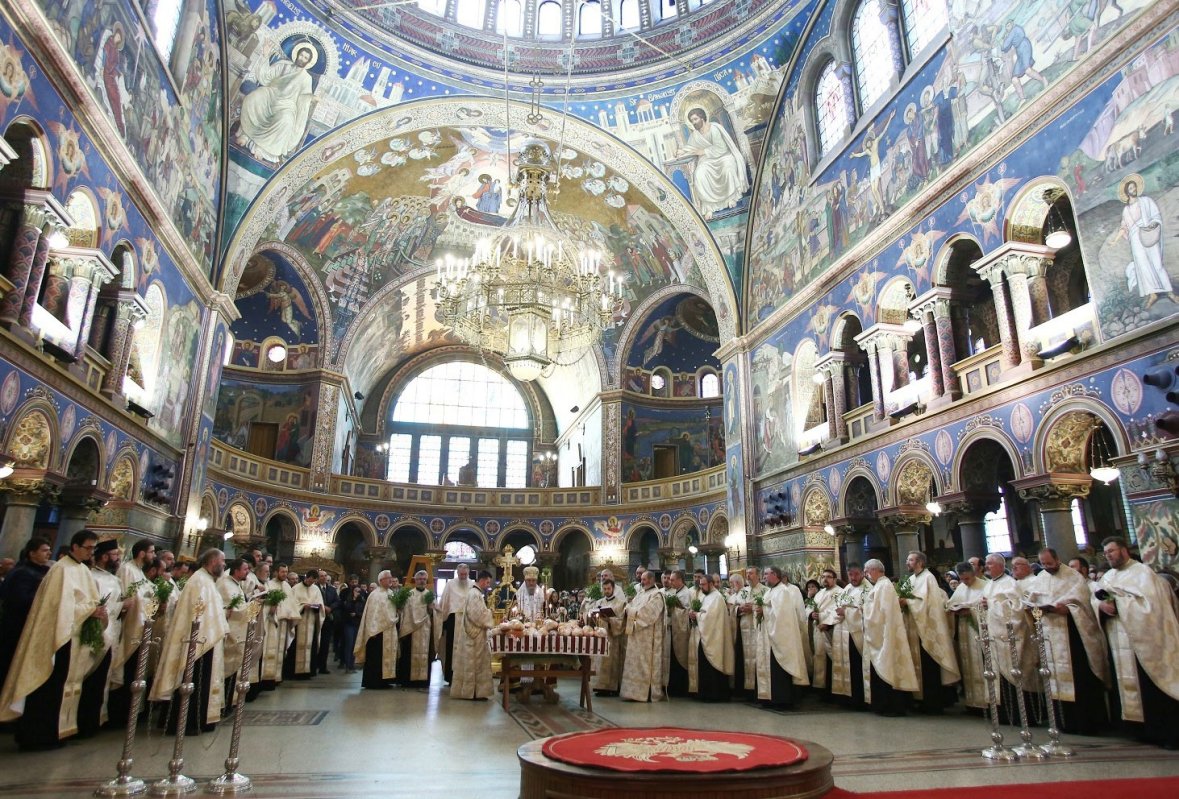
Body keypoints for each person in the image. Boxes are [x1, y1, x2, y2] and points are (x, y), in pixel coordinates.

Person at [0, 530, 107, 750]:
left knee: (63, 685)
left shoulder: (81, 570)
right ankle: (38, 735)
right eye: (87, 547)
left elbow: (88, 600)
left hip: (73, 635)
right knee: (49, 685)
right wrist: (90, 609)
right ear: (74, 546)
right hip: (57, 635)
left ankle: (59, 730)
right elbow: (60, 607)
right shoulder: (61, 570)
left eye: (93, 548)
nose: (90, 552)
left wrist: (97, 611)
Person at [1097, 537, 1179, 749]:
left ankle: (1157, 729)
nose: (1109, 555)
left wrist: (1119, 603)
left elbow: (1152, 606)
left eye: (1112, 551)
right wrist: (1102, 606)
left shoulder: (1143, 573)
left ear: (1124, 550)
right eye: (1106, 553)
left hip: (1142, 640)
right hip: (1118, 639)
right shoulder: (1108, 576)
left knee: (1146, 682)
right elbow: (1098, 597)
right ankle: (1134, 728)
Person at [1027, 547, 1109, 734]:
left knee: (1079, 677)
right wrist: (1034, 608)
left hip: (1072, 635)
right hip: (1050, 635)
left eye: (1049, 563)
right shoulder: (1041, 578)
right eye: (1043, 564)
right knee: (1054, 678)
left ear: (1057, 559)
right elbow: (1032, 600)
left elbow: (1083, 603)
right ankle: (1063, 722)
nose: (1047, 567)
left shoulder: (1073, 576)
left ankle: (1086, 724)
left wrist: (1069, 609)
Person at [150, 549, 228, 736]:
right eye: (222, 561)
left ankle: (199, 719)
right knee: (192, 679)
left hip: (205, 638)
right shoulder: (200, 581)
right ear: (212, 561)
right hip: (199, 640)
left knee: (199, 679)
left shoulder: (207, 580)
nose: (224, 565)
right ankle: (188, 722)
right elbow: (198, 613)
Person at [75, 539, 128, 737]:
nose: (118, 558)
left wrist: (124, 607)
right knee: (88, 677)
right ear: (104, 556)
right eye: (115, 554)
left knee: (101, 678)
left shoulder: (114, 579)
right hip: (94, 633)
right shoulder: (90, 577)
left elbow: (113, 607)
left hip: (112, 632)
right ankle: (80, 722)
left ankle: (94, 720)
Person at [980, 553, 1040, 724]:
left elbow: (1017, 609)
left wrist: (990, 605)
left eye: (990, 564)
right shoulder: (989, 584)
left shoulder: (1010, 584)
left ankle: (1021, 715)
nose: (987, 567)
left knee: (1014, 671)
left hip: (1008, 637)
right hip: (994, 637)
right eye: (987, 564)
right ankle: (1003, 714)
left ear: (1000, 565)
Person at [900, 551, 960, 714]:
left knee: (928, 664)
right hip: (913, 628)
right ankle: (918, 698)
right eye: (907, 560)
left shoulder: (928, 578)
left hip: (926, 629)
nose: (908, 563)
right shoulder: (911, 579)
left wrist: (908, 602)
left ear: (920, 562)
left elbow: (929, 603)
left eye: (910, 560)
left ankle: (932, 702)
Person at [237, 42, 316, 162]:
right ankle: (246, 135)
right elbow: (266, 76)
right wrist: (265, 55)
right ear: (297, 54)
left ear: (308, 61)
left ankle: (262, 149)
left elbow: (303, 98)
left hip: (287, 105)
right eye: (301, 55)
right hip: (271, 94)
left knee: (287, 121)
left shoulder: (306, 78)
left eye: (305, 57)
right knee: (255, 97)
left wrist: (310, 98)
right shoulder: (284, 65)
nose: (302, 58)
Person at [861, 559, 918, 717]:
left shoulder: (884, 586)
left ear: (875, 570)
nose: (866, 575)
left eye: (867, 571)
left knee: (887, 666)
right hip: (881, 632)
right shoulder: (880, 585)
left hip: (885, 633)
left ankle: (890, 705)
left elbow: (882, 612)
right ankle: (882, 704)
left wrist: (864, 609)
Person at [0, 536, 52, 691]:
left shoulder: (41, 571)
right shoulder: (23, 573)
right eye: (44, 550)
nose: (48, 554)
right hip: (16, 626)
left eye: (49, 551)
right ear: (32, 553)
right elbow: (20, 601)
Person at [678, 108, 749, 219]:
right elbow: (690, 147)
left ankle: (731, 198)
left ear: (702, 117)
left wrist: (703, 151)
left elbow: (721, 147)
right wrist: (681, 150)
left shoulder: (714, 128)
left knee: (727, 167)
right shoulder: (695, 135)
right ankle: (709, 207)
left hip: (723, 156)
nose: (694, 122)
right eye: (691, 121)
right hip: (707, 161)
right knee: (699, 174)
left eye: (695, 119)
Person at [1116, 173, 1174, 309]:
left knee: (1157, 263)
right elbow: (1124, 227)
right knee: (1143, 266)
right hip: (1135, 239)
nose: (1134, 190)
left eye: (1134, 187)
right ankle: (1152, 293)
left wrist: (1153, 224)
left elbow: (1156, 216)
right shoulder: (1126, 210)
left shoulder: (1146, 201)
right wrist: (1117, 239)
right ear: (1127, 192)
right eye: (1131, 188)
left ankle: (1170, 292)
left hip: (1148, 234)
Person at [756, 566, 809, 709]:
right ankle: (771, 698)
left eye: (766, 574)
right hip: (771, 637)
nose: (764, 577)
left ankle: (782, 700)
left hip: (781, 638)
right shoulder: (771, 591)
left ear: (775, 575)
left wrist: (764, 610)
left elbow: (781, 616)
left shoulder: (783, 591)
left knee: (780, 669)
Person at [945, 561, 988, 713]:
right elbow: (950, 603)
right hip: (964, 631)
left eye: (968, 579)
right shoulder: (962, 587)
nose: (965, 582)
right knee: (967, 663)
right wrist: (952, 610)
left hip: (979, 633)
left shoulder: (985, 586)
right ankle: (971, 701)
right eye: (962, 579)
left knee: (980, 665)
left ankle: (985, 701)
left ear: (974, 573)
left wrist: (971, 611)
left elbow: (988, 607)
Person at [620, 570, 666, 702]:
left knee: (646, 665)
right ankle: (631, 693)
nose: (642, 581)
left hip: (647, 639)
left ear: (651, 580)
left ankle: (644, 693)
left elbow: (648, 614)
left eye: (644, 579)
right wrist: (627, 609)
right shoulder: (641, 593)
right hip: (635, 636)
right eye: (642, 579)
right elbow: (630, 605)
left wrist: (631, 612)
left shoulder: (657, 596)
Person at [831, 562, 871, 710]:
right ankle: (846, 697)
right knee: (845, 665)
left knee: (856, 667)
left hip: (858, 634)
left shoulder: (868, 589)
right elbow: (838, 606)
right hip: (843, 633)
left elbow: (867, 612)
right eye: (850, 574)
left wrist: (846, 612)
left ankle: (859, 699)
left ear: (862, 573)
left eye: (856, 574)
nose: (853, 577)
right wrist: (839, 612)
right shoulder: (847, 588)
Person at [688, 572, 732, 702]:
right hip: (706, 636)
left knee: (712, 667)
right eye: (700, 585)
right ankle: (705, 693)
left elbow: (710, 618)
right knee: (704, 666)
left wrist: (696, 615)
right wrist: (694, 615)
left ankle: (715, 695)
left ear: (711, 584)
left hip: (714, 638)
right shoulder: (706, 596)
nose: (701, 587)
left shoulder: (717, 597)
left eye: (703, 585)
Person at [450, 571, 493, 700]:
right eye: (488, 582)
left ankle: (475, 692)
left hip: (474, 634)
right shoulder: (475, 594)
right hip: (475, 635)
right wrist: (490, 614)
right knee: (475, 662)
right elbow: (476, 615)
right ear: (482, 580)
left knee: (474, 663)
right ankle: (474, 692)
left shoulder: (475, 593)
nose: (488, 585)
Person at [217, 557, 253, 708]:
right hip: (229, 634)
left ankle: (230, 700)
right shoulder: (226, 584)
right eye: (245, 569)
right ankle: (224, 702)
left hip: (236, 632)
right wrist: (253, 606)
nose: (248, 572)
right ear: (236, 570)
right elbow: (233, 609)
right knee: (226, 668)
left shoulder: (235, 584)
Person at [355, 570, 399, 690]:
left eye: (391, 577)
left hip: (389, 630)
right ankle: (374, 682)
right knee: (376, 657)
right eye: (388, 578)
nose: (390, 580)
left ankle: (386, 681)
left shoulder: (392, 593)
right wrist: (372, 630)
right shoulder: (375, 594)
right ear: (381, 580)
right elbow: (371, 614)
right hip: (377, 632)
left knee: (388, 655)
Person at [260, 563, 299, 691]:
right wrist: (273, 609)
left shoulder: (287, 586)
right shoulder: (269, 585)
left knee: (280, 652)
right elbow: (265, 603)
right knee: (270, 649)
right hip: (272, 622)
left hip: (284, 623)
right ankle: (266, 678)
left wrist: (291, 616)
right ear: (276, 572)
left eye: (286, 572)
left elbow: (291, 604)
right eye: (282, 572)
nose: (285, 574)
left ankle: (277, 677)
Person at [732, 566, 768, 699]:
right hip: (743, 629)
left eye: (751, 573)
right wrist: (739, 609)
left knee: (758, 658)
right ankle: (744, 691)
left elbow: (768, 607)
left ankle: (757, 690)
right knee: (743, 658)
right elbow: (732, 606)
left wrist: (752, 608)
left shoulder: (765, 590)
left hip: (758, 629)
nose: (748, 576)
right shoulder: (743, 591)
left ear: (758, 575)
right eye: (747, 574)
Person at [436, 563, 475, 684]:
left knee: (467, 649)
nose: (463, 576)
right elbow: (445, 603)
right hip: (453, 621)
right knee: (452, 649)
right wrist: (442, 621)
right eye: (461, 574)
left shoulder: (473, 584)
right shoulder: (450, 584)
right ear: (457, 573)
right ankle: (451, 676)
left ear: (468, 573)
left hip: (468, 620)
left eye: (465, 574)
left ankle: (465, 676)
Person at [396, 570, 435, 687]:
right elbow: (403, 611)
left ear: (426, 580)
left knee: (425, 653)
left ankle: (422, 681)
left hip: (425, 630)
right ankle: (407, 681)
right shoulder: (409, 594)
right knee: (408, 654)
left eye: (424, 579)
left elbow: (434, 613)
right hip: (410, 629)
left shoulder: (429, 595)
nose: (422, 581)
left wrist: (431, 609)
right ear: (415, 580)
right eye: (419, 579)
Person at [589, 578, 627, 696]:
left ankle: (611, 688)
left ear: (613, 589)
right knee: (599, 662)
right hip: (600, 637)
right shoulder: (599, 602)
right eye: (604, 589)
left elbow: (621, 622)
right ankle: (599, 687)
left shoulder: (620, 603)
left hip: (612, 638)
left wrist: (609, 620)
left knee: (611, 662)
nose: (606, 591)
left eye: (608, 588)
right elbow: (593, 618)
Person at [809, 568, 840, 697]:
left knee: (830, 660)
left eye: (828, 577)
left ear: (834, 579)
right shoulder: (820, 593)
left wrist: (824, 619)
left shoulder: (839, 592)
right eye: (823, 577)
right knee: (819, 657)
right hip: (818, 631)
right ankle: (821, 689)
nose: (825, 579)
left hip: (830, 631)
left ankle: (832, 690)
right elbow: (810, 608)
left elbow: (836, 611)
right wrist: (812, 614)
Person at [287, 570, 323, 679]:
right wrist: (303, 606)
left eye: (314, 581)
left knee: (310, 646)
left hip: (311, 621)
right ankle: (294, 672)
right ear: (307, 577)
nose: (312, 583)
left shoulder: (316, 589)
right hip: (299, 621)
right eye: (310, 580)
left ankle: (308, 672)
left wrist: (317, 606)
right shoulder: (296, 588)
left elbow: (320, 602)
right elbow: (292, 604)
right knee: (296, 646)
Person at [664, 570, 693, 697]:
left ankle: (681, 689)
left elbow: (686, 612)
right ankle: (673, 687)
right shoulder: (676, 592)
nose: (670, 582)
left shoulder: (686, 593)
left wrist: (674, 609)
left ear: (680, 580)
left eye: (672, 580)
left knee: (680, 658)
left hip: (682, 631)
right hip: (674, 630)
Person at [338, 575, 365, 674]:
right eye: (352, 582)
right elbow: (344, 607)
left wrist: (357, 614)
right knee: (348, 644)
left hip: (357, 622)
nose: (354, 584)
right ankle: (347, 665)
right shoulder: (345, 593)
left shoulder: (362, 593)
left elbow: (364, 607)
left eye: (356, 581)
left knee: (355, 644)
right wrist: (353, 598)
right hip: (348, 622)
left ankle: (352, 664)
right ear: (349, 582)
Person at [316, 570, 338, 675]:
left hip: (328, 619)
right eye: (321, 576)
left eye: (325, 576)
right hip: (316, 619)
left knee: (325, 644)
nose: (324, 578)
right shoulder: (314, 588)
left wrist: (331, 608)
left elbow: (337, 601)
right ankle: (313, 665)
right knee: (316, 643)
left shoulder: (332, 590)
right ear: (318, 577)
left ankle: (322, 666)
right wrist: (322, 607)